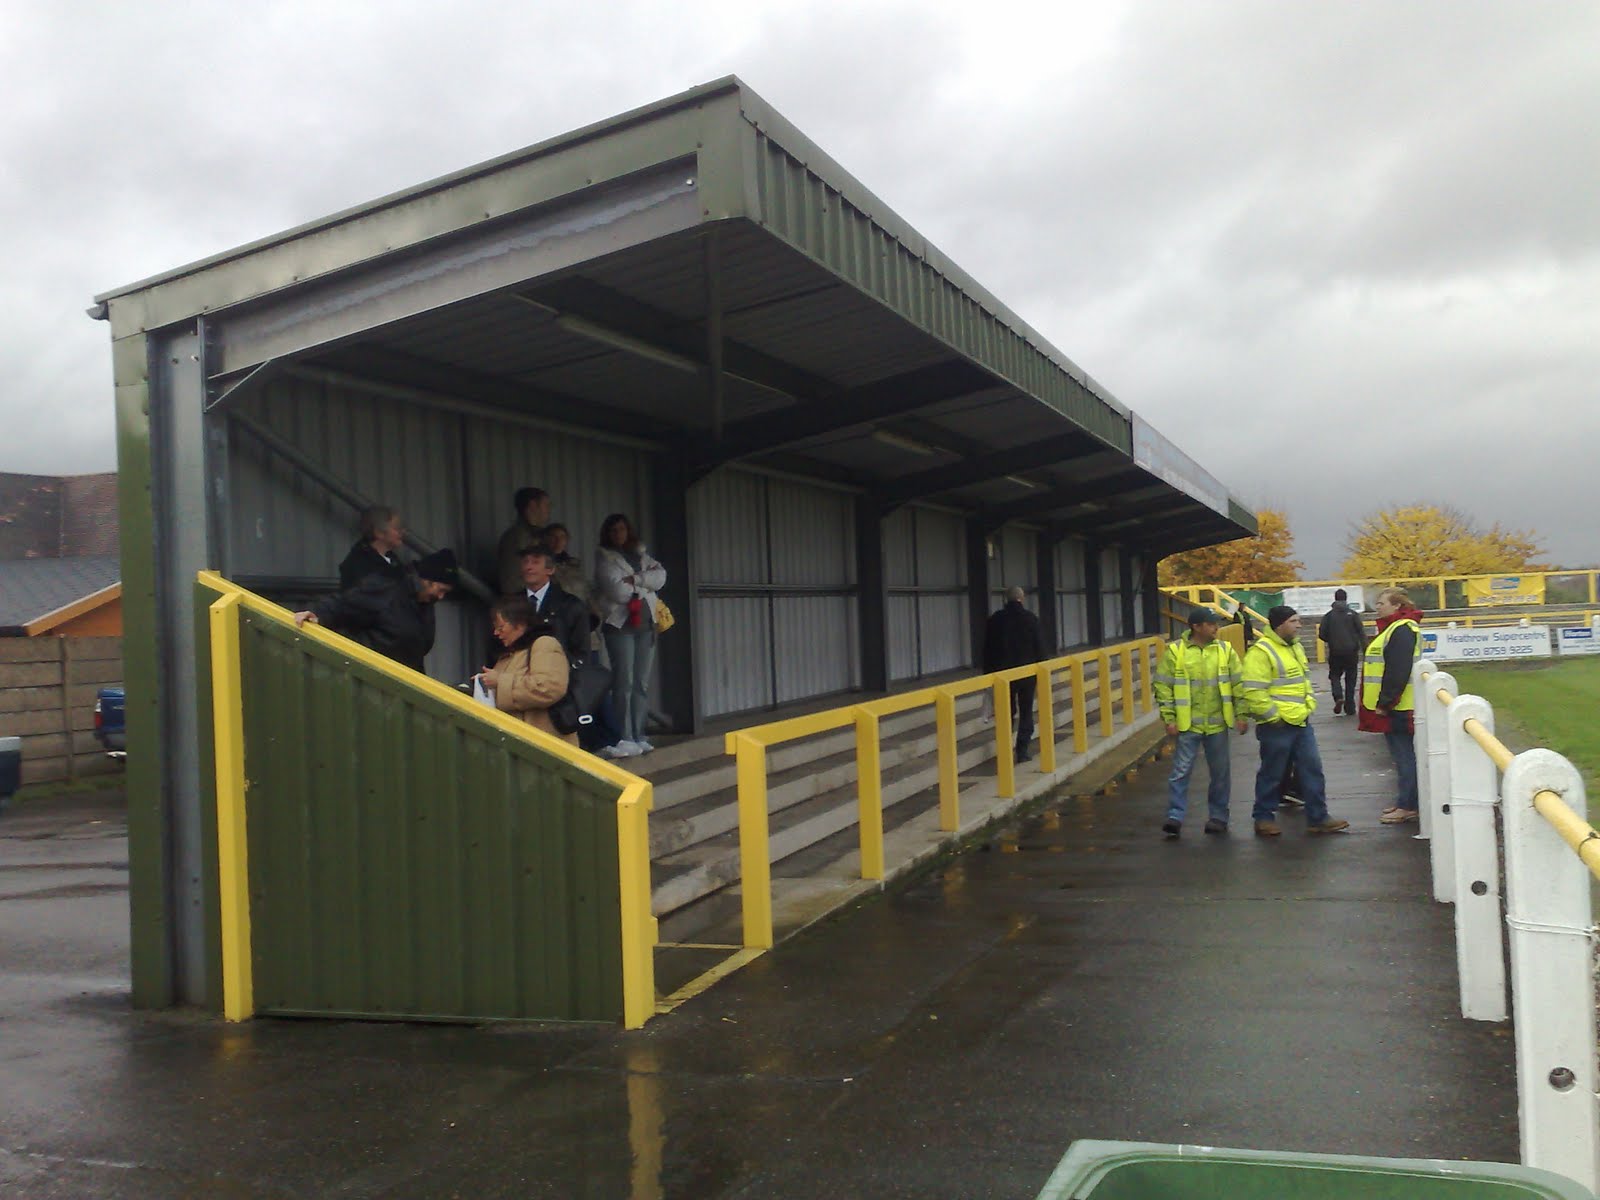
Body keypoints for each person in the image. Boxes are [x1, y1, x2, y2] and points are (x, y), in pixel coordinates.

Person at [1238, 605, 1350, 837]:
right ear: (1280, 624)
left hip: (1300, 721)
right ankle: (1263, 818)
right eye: (1294, 621)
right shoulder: (1261, 652)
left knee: (1312, 769)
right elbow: (1253, 691)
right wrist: (1273, 717)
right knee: (1272, 772)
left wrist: (1308, 704)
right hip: (1277, 726)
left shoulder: (1295, 647)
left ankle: (1318, 817)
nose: (1299, 625)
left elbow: (1303, 681)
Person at [1154, 608, 1247, 837]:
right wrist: (1169, 718)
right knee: (1181, 771)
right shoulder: (1176, 652)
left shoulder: (1224, 651)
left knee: (1220, 773)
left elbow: (1238, 683)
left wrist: (1242, 714)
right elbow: (1163, 686)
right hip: (1189, 724)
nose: (1216, 628)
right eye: (1211, 624)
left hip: (1217, 724)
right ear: (1196, 626)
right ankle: (1175, 816)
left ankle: (1218, 817)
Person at [295, 548, 458, 674]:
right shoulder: (388, 587)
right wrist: (318, 613)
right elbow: (344, 603)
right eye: (441, 589)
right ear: (427, 580)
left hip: (405, 679)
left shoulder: (425, 603)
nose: (442, 596)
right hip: (372, 676)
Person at [594, 513, 666, 754]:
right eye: (613, 530)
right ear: (608, 534)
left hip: (647, 624)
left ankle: (639, 733)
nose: (619, 534)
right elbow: (618, 592)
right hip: (620, 625)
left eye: (622, 529)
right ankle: (624, 735)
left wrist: (636, 579)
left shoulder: (641, 555)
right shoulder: (605, 559)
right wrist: (646, 584)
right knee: (624, 681)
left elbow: (662, 577)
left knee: (641, 682)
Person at [1358, 587, 1425, 825]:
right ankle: (1405, 802)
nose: (1378, 607)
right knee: (1402, 756)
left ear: (1397, 605)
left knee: (1404, 757)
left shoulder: (1402, 629)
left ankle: (1408, 805)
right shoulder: (1397, 628)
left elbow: (1397, 670)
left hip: (1400, 706)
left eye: (1382, 603)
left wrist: (1384, 703)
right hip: (1399, 704)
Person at [477, 596, 577, 746]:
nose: (496, 633)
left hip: (546, 744)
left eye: (501, 627)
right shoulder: (508, 655)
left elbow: (549, 687)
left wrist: (499, 681)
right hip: (520, 743)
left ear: (520, 625)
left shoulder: (544, 644)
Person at [982, 585, 1045, 764]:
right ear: (1022, 599)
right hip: (1027, 675)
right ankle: (1022, 751)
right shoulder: (1031, 619)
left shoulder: (995, 620)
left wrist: (988, 675)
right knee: (1026, 712)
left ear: (1005, 599)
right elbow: (1040, 647)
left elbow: (987, 649)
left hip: (1002, 676)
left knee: (1006, 713)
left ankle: (1005, 751)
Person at [519, 544, 589, 664]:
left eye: (535, 562)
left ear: (550, 569)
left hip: (557, 675)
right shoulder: (510, 603)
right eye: (525, 562)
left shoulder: (571, 605)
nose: (528, 567)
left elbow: (581, 653)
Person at [1317, 588, 1366, 715]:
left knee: (1334, 676)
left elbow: (1321, 634)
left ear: (1335, 598)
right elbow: (1361, 633)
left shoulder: (1328, 616)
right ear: (1346, 598)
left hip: (1335, 651)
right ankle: (1350, 707)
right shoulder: (1353, 614)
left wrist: (1332, 640)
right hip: (1351, 651)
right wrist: (1365, 648)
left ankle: (1338, 697)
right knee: (1351, 678)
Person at [496, 487, 551, 595]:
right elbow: (511, 582)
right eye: (546, 506)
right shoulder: (517, 538)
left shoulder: (537, 536)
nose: (548, 511)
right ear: (533, 505)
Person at [338, 505, 407, 590]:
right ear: (379, 533)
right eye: (397, 528)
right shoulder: (359, 565)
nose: (403, 532)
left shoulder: (392, 559)